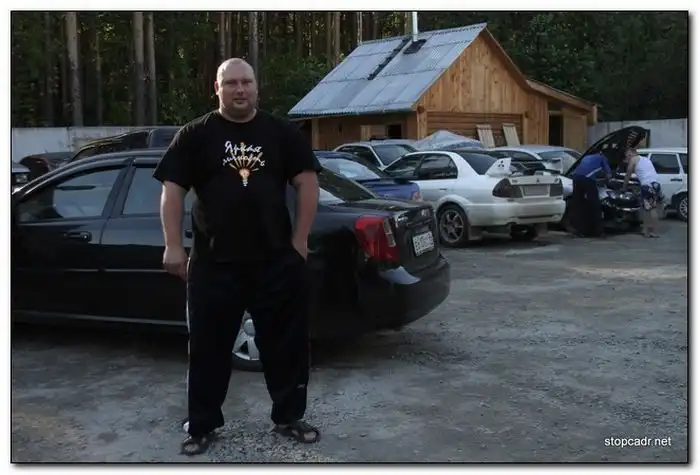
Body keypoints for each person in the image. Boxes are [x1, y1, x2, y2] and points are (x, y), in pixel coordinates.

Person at [153, 58, 322, 456]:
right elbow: (172, 191)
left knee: (286, 347)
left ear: (257, 87)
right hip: (214, 263)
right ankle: (202, 424)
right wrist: (173, 245)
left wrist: (300, 240)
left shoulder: (282, 133)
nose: (240, 89)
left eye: (246, 82)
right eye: (231, 83)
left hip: (275, 261)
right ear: (217, 88)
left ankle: (289, 416)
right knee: (207, 350)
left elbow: (307, 182)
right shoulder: (195, 135)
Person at [569, 152, 612, 237]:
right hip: (587, 178)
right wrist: (608, 182)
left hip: (575, 178)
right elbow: (609, 175)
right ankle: (597, 232)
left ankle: (580, 231)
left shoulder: (586, 157)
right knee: (595, 205)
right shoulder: (602, 157)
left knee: (578, 205)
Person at [621, 148, 662, 238]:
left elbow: (628, 174)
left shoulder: (633, 159)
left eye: (627, 155)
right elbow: (645, 173)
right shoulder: (645, 159)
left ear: (632, 154)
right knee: (652, 208)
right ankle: (654, 231)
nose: (627, 158)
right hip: (656, 184)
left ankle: (647, 232)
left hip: (647, 186)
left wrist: (624, 188)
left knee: (648, 210)